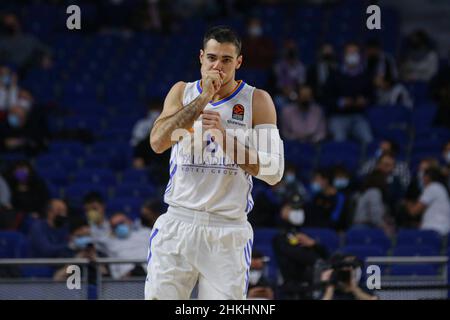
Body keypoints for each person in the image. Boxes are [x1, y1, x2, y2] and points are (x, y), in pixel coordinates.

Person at [147, 26, 284, 300]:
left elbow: (273, 173)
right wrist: (203, 100)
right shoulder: (182, 92)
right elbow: (158, 142)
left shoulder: (257, 100)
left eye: (226, 60)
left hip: (227, 228)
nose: (217, 66)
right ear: (201, 58)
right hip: (178, 221)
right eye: (211, 58)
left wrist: (224, 138)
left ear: (239, 62)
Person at [325, 42, 374, 145]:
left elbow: (372, 96)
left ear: (360, 56)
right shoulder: (335, 75)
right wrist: (341, 102)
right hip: (338, 116)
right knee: (339, 142)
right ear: (344, 55)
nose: (352, 56)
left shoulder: (366, 75)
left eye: (355, 53)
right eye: (349, 53)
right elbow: (326, 98)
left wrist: (365, 100)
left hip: (358, 116)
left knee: (368, 140)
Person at [405, 167, 450, 236]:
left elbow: (414, 211)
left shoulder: (433, 187)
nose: (422, 179)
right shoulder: (441, 188)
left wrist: (407, 202)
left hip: (434, 230)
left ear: (427, 177)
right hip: (442, 229)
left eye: (423, 176)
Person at [105, 212, 149, 280]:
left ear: (129, 221)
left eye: (121, 223)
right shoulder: (111, 244)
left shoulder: (146, 234)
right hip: (127, 281)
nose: (119, 227)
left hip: (150, 277)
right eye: (115, 226)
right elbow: (113, 269)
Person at [352, 170, 394, 236]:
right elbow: (375, 215)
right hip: (363, 227)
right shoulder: (374, 192)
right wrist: (385, 227)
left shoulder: (365, 192)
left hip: (360, 227)